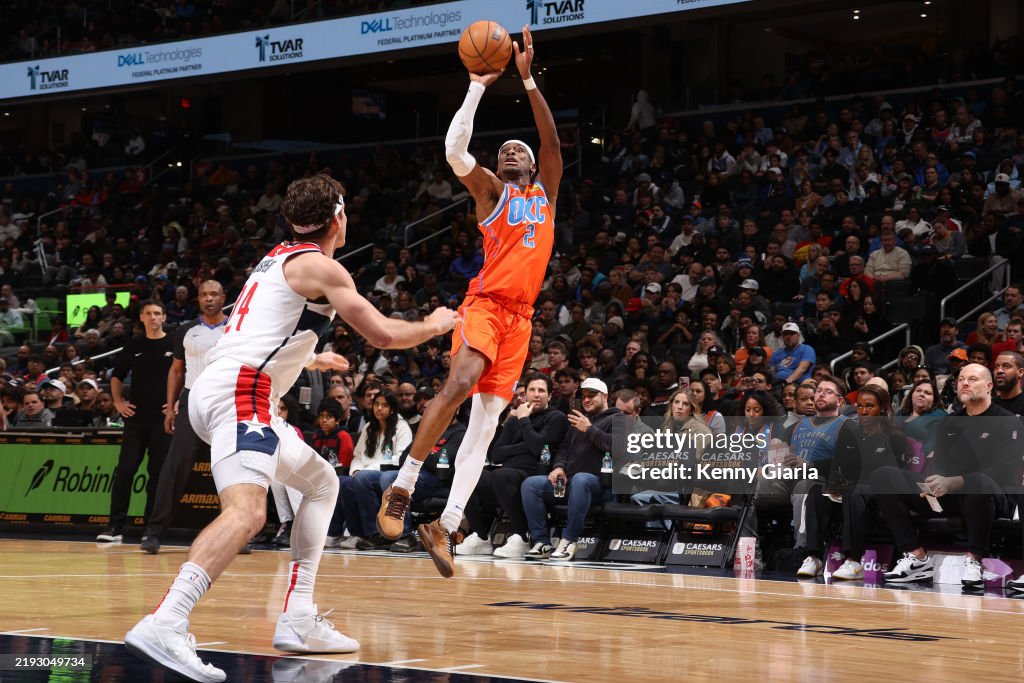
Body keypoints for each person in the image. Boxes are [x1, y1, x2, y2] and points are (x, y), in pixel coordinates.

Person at [124, 174, 459, 681]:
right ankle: (167, 620)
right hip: (243, 392)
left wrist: (310, 356)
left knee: (322, 482)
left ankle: (299, 617)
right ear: (339, 217)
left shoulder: (276, 258)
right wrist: (435, 324)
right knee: (248, 513)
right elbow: (386, 334)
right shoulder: (322, 268)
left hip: (227, 383)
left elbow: (261, 330)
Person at [376, 25, 563, 579]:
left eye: (517, 152)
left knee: (484, 427)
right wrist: (479, 85)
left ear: (530, 168)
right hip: (484, 304)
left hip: (521, 321)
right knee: (459, 384)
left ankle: (447, 524)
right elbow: (455, 149)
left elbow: (552, 145)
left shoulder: (544, 196)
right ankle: (404, 485)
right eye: (504, 150)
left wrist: (528, 80)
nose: (509, 152)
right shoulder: (492, 194)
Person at [871, 364, 1017, 587]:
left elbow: (1003, 471)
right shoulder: (950, 421)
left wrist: (954, 482)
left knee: (979, 481)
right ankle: (916, 556)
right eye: (961, 379)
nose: (965, 383)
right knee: (883, 476)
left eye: (972, 379)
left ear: (989, 386)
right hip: (950, 494)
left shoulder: (1006, 421)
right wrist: (934, 483)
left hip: (990, 497)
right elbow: (939, 464)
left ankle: (975, 560)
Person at [140, 281, 228, 554]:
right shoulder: (185, 330)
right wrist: (170, 407)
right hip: (191, 401)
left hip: (225, 401)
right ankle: (154, 533)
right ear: (197, 299)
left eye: (214, 294)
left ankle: (236, 534)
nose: (208, 299)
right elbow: (177, 371)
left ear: (223, 297)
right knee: (174, 466)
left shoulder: (237, 328)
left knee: (229, 469)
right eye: (203, 295)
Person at [459, 373, 568, 558]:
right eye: (532, 390)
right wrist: (525, 444)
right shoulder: (514, 417)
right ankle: (481, 536)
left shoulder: (556, 417)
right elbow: (496, 453)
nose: (536, 394)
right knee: (468, 473)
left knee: (502, 475)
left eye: (542, 390)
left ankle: (521, 536)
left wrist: (524, 421)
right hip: (508, 473)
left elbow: (539, 448)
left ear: (549, 396)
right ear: (524, 395)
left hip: (536, 474)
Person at [96, 300, 174, 544]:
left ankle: (150, 530)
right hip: (136, 419)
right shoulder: (135, 344)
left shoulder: (174, 343)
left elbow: (185, 375)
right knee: (126, 471)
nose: (153, 317)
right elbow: (117, 376)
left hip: (162, 419)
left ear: (164, 316)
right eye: (148, 313)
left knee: (157, 473)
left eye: (157, 313)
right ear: (141, 317)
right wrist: (118, 402)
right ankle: (115, 528)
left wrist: (177, 403)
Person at [521, 378, 619, 561]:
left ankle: (569, 540)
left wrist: (589, 430)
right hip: (571, 486)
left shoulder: (619, 418)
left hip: (602, 487)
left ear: (605, 396)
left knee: (582, 479)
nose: (587, 400)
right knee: (531, 484)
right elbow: (564, 449)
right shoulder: (578, 421)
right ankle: (542, 542)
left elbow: (619, 447)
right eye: (584, 397)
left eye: (592, 395)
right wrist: (558, 468)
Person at [826, 385, 907, 580]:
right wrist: (833, 484)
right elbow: (837, 464)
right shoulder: (849, 430)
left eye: (869, 406)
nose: (863, 411)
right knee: (814, 493)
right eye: (859, 406)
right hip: (852, 485)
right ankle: (812, 556)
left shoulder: (894, 437)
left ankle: (853, 561)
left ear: (882, 408)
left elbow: (895, 475)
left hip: (880, 489)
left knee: (854, 492)